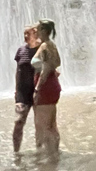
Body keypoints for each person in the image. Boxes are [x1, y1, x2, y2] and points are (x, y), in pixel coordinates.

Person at [32, 19, 62, 152]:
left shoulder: (45, 46)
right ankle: (54, 154)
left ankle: (46, 157)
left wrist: (37, 89)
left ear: (44, 31)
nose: (35, 32)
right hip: (52, 86)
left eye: (37, 29)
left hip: (45, 88)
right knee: (51, 124)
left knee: (42, 124)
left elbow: (45, 69)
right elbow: (56, 63)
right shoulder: (51, 45)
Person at [13, 25, 40, 152]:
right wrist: (16, 90)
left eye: (28, 34)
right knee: (18, 122)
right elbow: (18, 71)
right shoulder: (21, 50)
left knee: (40, 124)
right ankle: (16, 152)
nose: (25, 37)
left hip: (39, 91)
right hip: (23, 92)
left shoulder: (42, 49)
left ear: (36, 35)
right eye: (24, 34)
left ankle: (41, 153)